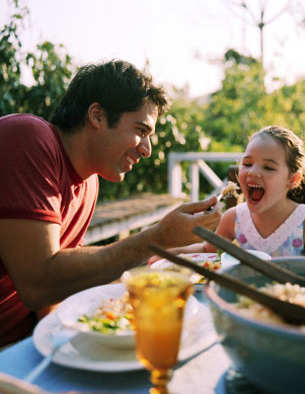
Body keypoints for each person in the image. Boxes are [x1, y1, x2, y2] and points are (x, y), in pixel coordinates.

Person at [0, 59, 221, 346]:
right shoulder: (29, 138)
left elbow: (55, 293)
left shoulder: (89, 182)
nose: (147, 149)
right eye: (141, 130)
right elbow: (38, 283)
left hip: (24, 342)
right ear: (97, 115)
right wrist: (157, 238)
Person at [150, 125, 305, 263]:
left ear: (293, 180)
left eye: (268, 167)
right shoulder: (234, 218)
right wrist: (169, 254)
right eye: (247, 164)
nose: (253, 172)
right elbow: (207, 251)